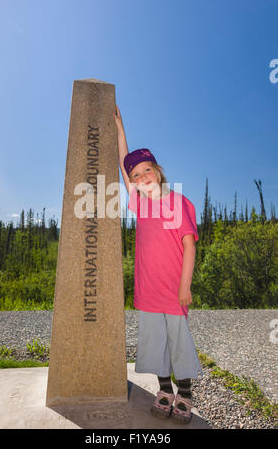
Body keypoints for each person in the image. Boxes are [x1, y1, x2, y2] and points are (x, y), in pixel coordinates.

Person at [113, 105, 203, 424]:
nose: (141, 177)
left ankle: (186, 394)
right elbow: (124, 166)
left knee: (179, 344)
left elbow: (189, 247)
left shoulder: (178, 203)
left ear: (159, 171)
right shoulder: (139, 204)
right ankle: (164, 391)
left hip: (173, 293)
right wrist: (120, 130)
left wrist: (184, 286)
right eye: (136, 176)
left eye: (146, 170)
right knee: (156, 344)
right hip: (148, 293)